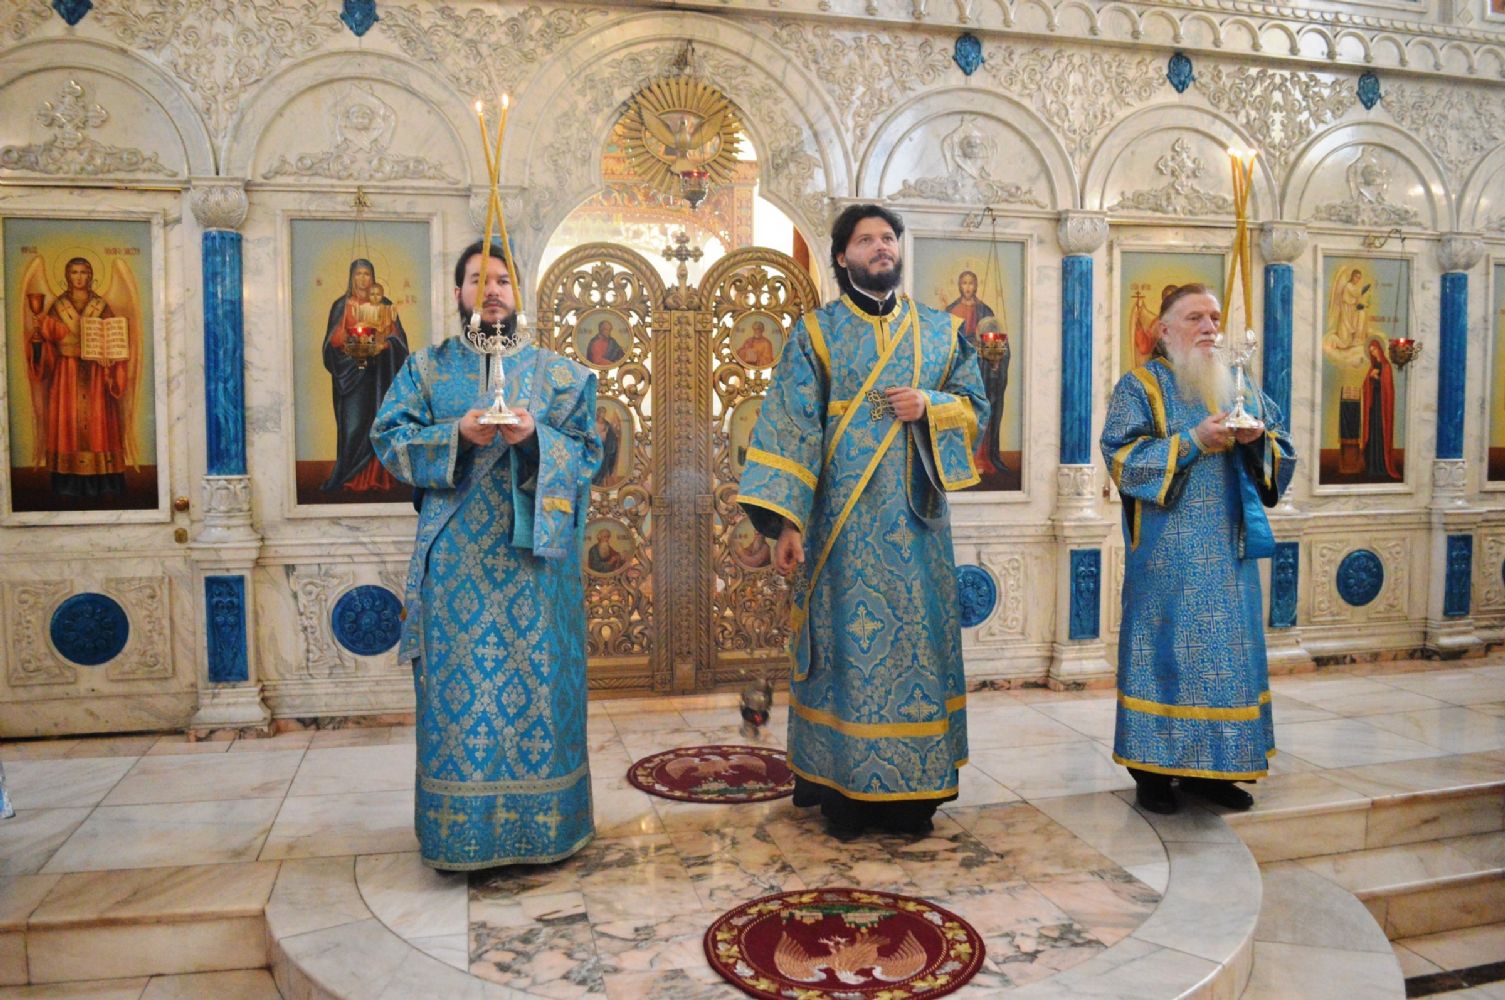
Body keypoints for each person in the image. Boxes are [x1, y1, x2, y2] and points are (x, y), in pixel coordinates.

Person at [736, 204, 989, 837]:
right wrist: (787, 525)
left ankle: (913, 795)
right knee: (844, 653)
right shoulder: (815, 334)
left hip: (916, 528)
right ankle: (841, 791)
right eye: (866, 239)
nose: (881, 247)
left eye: (888, 238)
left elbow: (976, 407)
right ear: (842, 256)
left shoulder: (939, 332)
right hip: (839, 530)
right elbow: (790, 427)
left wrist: (930, 405)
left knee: (914, 651)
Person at [371, 238, 601, 871]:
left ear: (517, 292)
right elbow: (388, 439)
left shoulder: (561, 374)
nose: (491, 290)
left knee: (539, 690)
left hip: (537, 568)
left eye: (501, 279)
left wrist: (536, 439)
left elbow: (589, 454)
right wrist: (457, 435)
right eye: (477, 279)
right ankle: (459, 834)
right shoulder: (427, 368)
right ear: (458, 293)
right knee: (459, 697)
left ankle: (546, 829)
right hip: (455, 566)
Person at [1100, 283, 1296, 815]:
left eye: (1214, 317)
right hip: (1167, 560)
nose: (1209, 327)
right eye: (1195, 318)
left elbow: (1283, 450)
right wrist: (1194, 441)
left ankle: (1215, 770)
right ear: (1164, 330)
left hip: (1229, 558)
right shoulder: (1141, 386)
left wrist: (1259, 443)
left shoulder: (1238, 383)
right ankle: (1153, 773)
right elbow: (1121, 458)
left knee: (1226, 664)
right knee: (1165, 660)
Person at [25, 257, 135, 497]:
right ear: (67, 276)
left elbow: (113, 336)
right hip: (67, 374)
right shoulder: (59, 306)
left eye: (84, 272)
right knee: (69, 424)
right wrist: (39, 337)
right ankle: (68, 482)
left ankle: (104, 481)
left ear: (91, 276)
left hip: (96, 374)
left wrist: (110, 357)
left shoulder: (100, 305)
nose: (79, 277)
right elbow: (49, 344)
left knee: (99, 425)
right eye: (74, 272)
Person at [322, 259, 410, 493]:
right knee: (353, 427)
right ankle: (349, 477)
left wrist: (384, 344)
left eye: (367, 274)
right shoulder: (341, 306)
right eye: (358, 274)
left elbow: (399, 340)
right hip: (351, 378)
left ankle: (381, 478)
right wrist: (350, 340)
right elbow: (331, 344)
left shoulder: (384, 304)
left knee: (380, 422)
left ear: (373, 277)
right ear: (352, 277)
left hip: (380, 377)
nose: (363, 279)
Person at [946, 271, 1010, 475]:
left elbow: (997, 340)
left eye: (971, 283)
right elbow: (947, 342)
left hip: (983, 372)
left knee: (983, 411)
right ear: (959, 285)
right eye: (964, 283)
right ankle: (960, 460)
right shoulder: (951, 311)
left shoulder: (986, 310)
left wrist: (995, 357)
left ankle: (984, 458)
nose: (968, 287)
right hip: (960, 374)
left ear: (976, 286)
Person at [1363, 337, 1400, 481]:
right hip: (1373, 406)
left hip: (1382, 408)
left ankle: (1382, 467)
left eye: (1374, 350)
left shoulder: (1386, 366)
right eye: (1371, 351)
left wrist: (1376, 379)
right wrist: (1370, 378)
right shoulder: (1372, 367)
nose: (1373, 353)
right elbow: (1365, 386)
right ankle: (1372, 467)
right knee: (1373, 434)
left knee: (1380, 434)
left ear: (1380, 349)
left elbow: (1387, 389)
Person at [593, 407, 622, 487]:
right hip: (593, 448)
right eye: (600, 412)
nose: (602, 414)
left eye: (603, 413)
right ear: (597, 413)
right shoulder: (592, 423)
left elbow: (612, 436)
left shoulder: (607, 425)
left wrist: (615, 436)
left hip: (604, 448)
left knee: (603, 465)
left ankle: (600, 483)